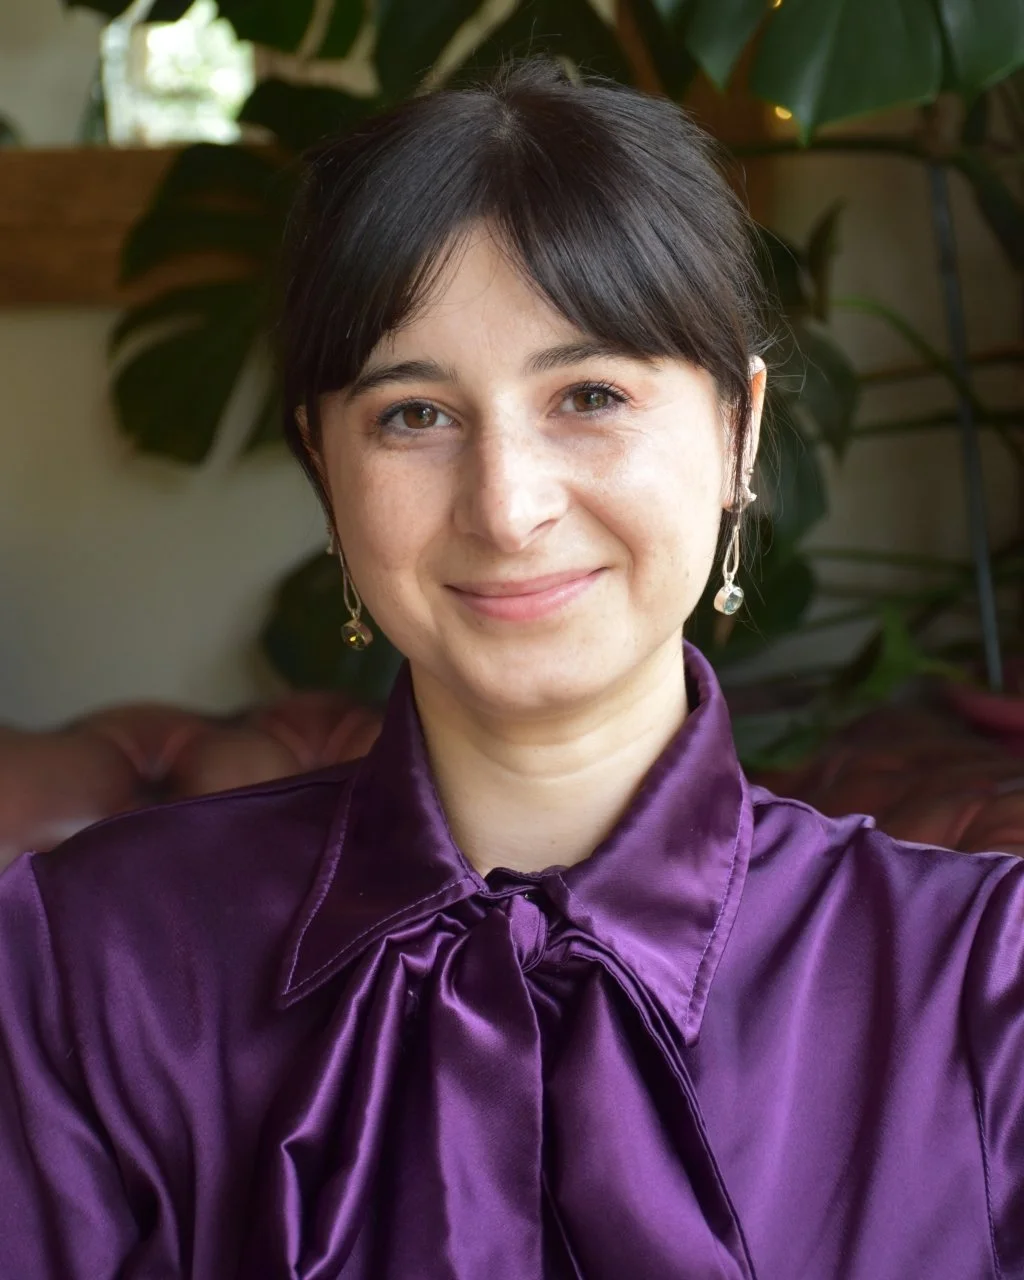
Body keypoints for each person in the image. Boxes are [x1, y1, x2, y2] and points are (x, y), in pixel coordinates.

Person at [0, 59, 1021, 1280]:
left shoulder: (984, 984)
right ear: (324, 468)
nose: (506, 504)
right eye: (414, 414)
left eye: (588, 393)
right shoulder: (85, 964)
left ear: (737, 432)